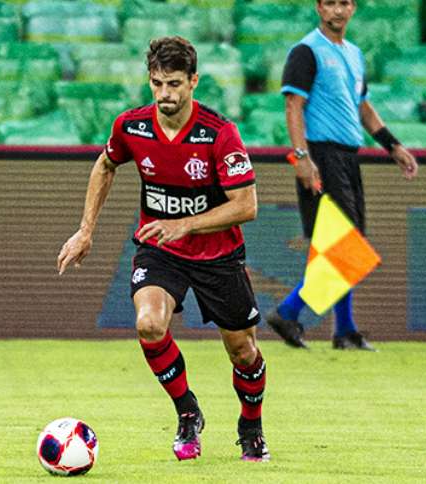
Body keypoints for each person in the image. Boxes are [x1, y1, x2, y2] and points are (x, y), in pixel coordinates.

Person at [57, 36, 269, 462]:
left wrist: (185, 224)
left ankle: (251, 425)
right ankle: (187, 412)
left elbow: (247, 206)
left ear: (194, 81)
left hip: (218, 256)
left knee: (243, 351)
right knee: (149, 324)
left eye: (174, 84)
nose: (165, 94)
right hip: (160, 250)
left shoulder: (219, 133)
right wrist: (85, 231)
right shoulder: (131, 126)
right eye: (157, 84)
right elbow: (106, 164)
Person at [267, 0, 419, 351]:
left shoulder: (354, 54)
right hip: (321, 154)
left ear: (353, 9)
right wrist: (301, 156)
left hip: (348, 157)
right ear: (319, 8)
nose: (338, 10)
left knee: (335, 244)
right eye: (331, 3)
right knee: (347, 244)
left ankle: (343, 330)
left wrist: (392, 145)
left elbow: (362, 106)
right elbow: (293, 105)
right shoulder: (306, 51)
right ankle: (289, 311)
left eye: (345, 3)